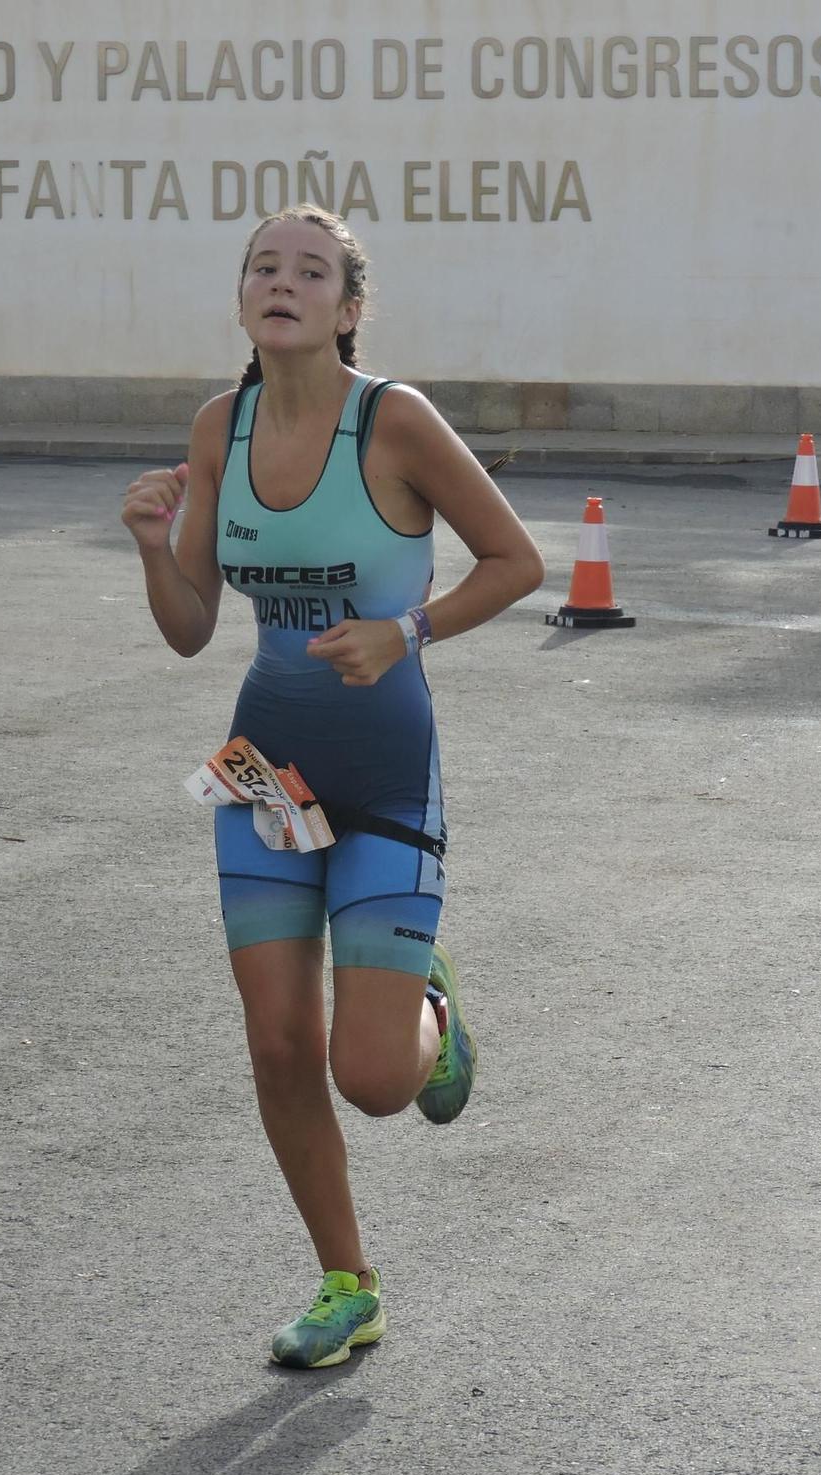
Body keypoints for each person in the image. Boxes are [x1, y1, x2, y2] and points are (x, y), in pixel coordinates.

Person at [120, 204, 543, 1369]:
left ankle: (429, 1014)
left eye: (311, 271)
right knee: (273, 1046)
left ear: (348, 310)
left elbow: (518, 562)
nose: (282, 282)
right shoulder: (222, 427)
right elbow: (192, 629)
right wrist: (156, 547)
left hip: (386, 773)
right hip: (265, 774)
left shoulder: (393, 422)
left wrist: (402, 630)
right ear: (242, 296)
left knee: (367, 1078)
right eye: (263, 265)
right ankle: (345, 1283)